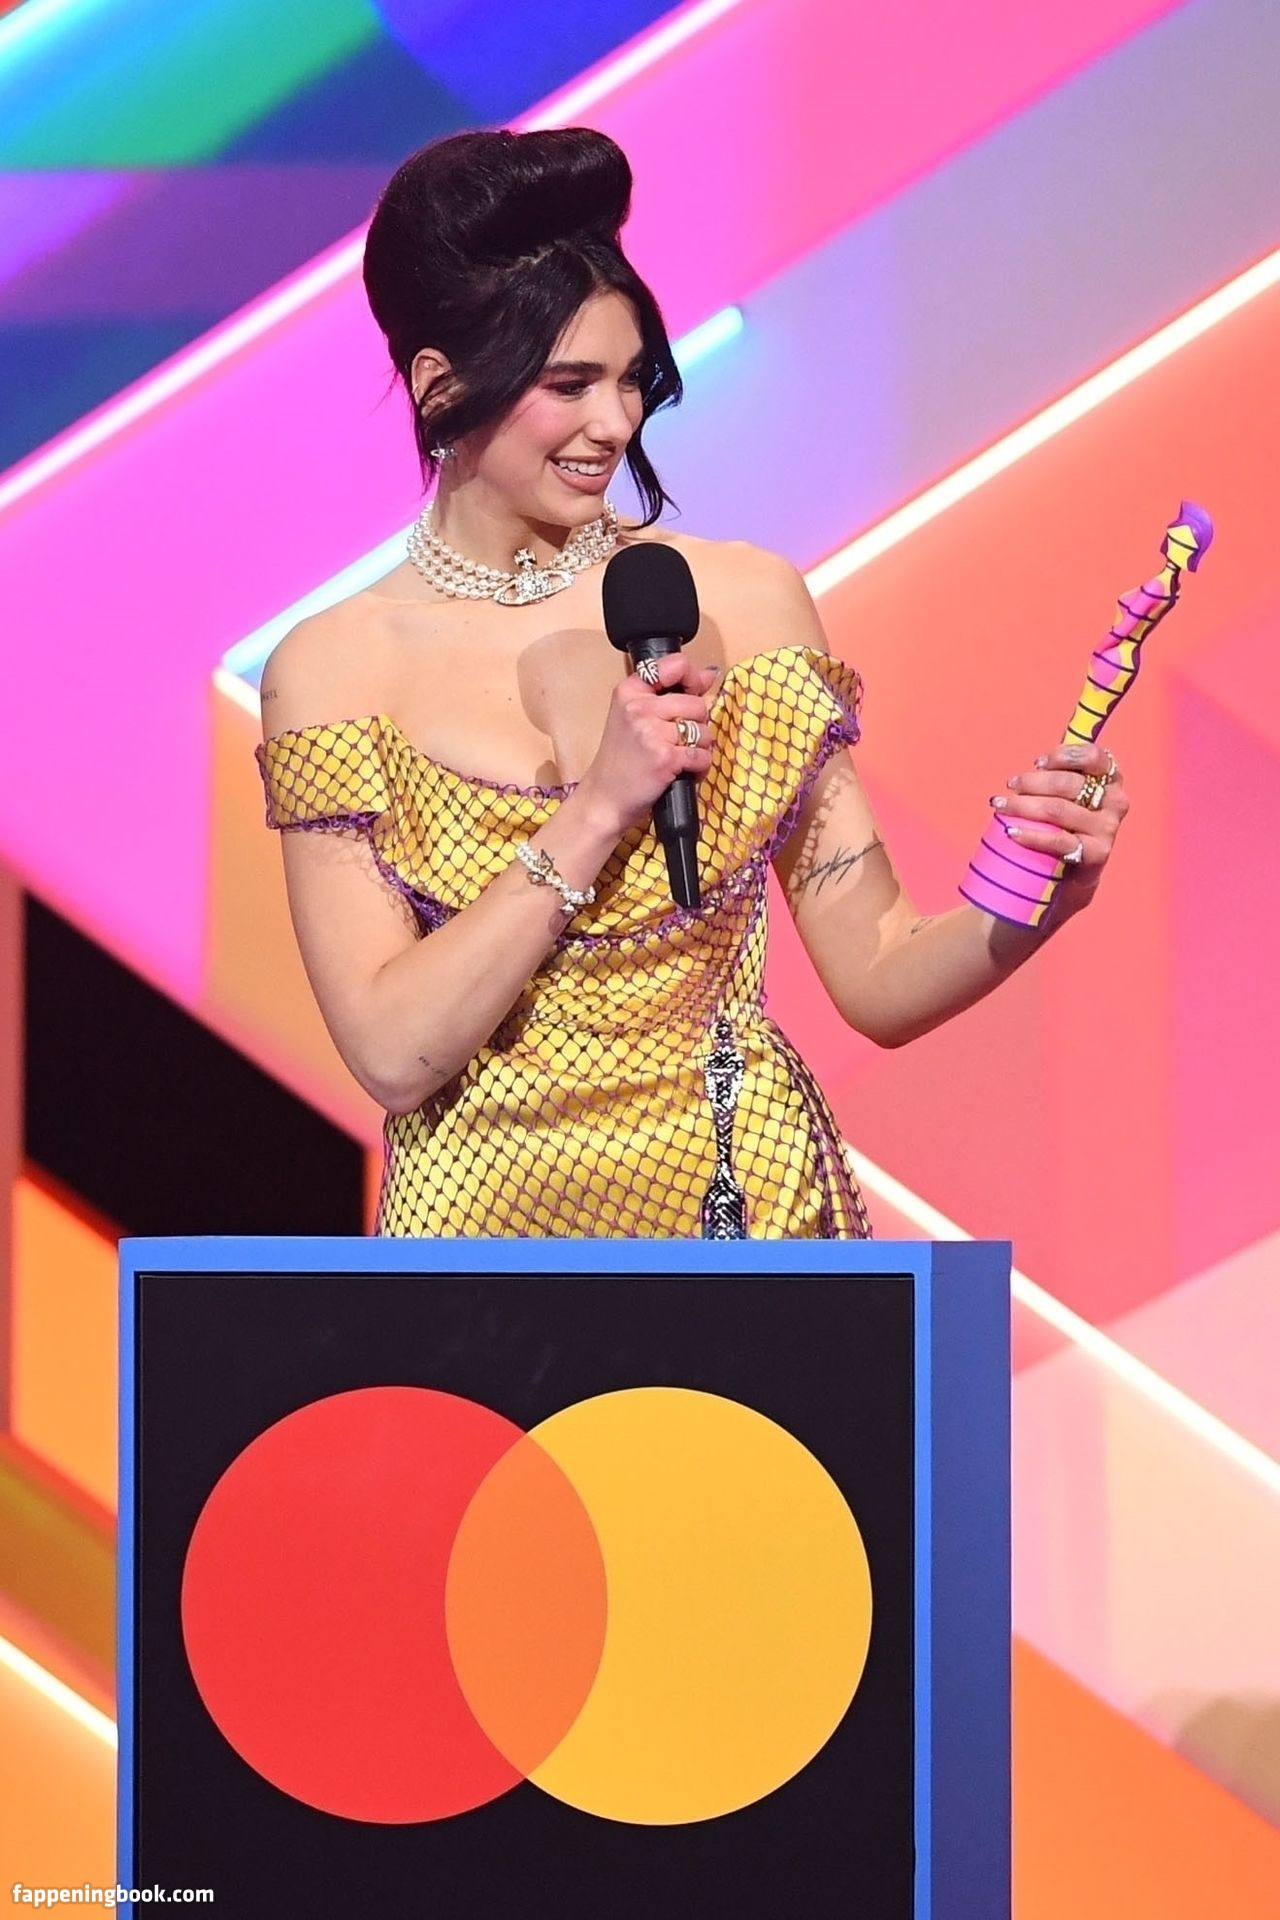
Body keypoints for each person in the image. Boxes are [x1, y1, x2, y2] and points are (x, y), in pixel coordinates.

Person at [255, 127, 1128, 1239]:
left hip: (744, 1216)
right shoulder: (337, 667)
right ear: (441, 385)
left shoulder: (742, 600)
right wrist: (596, 811)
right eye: (569, 384)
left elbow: (877, 973)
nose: (614, 423)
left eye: (630, 381)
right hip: (482, 1256)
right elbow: (390, 1051)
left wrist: (1034, 896)